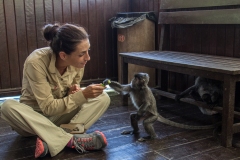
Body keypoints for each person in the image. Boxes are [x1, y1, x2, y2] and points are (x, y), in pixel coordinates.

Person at [0, 23, 110, 158]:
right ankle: (69, 139)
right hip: (32, 121)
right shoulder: (36, 62)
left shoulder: (78, 63)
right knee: (7, 106)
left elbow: (71, 95)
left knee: (103, 97)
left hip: (59, 117)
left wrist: (73, 92)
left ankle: (55, 138)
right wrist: (82, 95)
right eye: (82, 54)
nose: (88, 57)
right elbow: (48, 108)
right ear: (63, 55)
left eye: (88, 51)